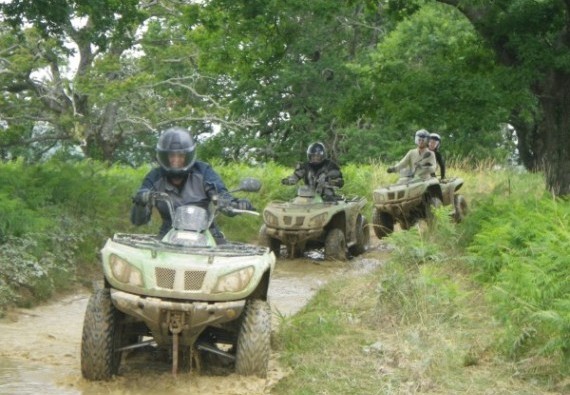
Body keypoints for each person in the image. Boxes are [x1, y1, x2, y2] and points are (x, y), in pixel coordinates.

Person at [130, 126, 253, 241]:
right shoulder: (154, 177)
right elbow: (138, 221)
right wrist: (141, 202)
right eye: (171, 155)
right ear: (164, 156)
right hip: (168, 234)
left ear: (188, 156)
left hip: (206, 233)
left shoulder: (203, 171)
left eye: (181, 155)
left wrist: (234, 203)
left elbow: (220, 193)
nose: (176, 160)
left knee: (228, 262)